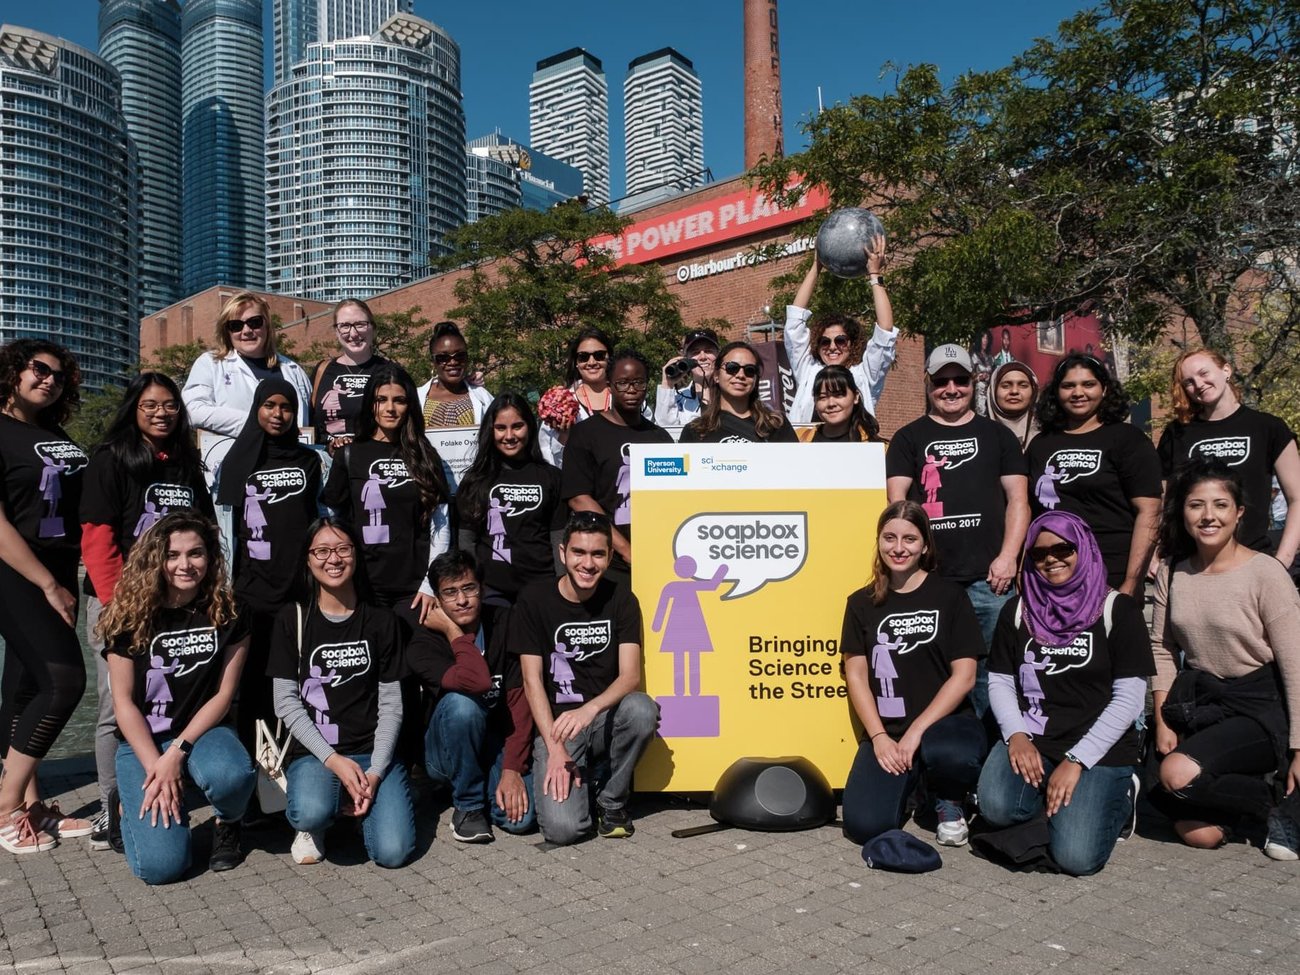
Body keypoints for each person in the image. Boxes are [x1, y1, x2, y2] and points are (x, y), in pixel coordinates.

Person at [81, 372, 215, 852]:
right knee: (115, 704)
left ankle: (174, 777)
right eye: (150, 405)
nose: (162, 413)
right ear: (134, 409)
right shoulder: (112, 458)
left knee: (175, 690)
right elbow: (97, 539)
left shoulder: (185, 463)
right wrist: (120, 606)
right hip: (122, 601)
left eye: (170, 406)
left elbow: (205, 533)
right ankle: (108, 804)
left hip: (178, 600)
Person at [978, 511, 1153, 876]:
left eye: (1063, 548)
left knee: (1076, 858)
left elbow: (1130, 698)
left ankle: (1119, 799)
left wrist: (1076, 761)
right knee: (996, 808)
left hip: (1098, 746)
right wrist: (1016, 735)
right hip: (1036, 738)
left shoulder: (1117, 610)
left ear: (1084, 548)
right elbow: (1000, 680)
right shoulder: (1019, 611)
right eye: (1039, 554)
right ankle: (1062, 803)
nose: (1051, 559)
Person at [1149, 460, 1300, 859]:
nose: (1208, 516)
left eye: (1220, 505)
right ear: (1182, 512)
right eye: (1196, 505)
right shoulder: (1173, 571)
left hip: (1259, 704)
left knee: (1177, 774)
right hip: (1200, 702)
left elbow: (1295, 662)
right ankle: (1245, 805)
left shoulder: (1265, 573)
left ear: (1239, 513)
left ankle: (1278, 804)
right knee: (1200, 834)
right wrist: (1162, 717)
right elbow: (1161, 647)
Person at [97, 512, 254, 883]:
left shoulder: (229, 610)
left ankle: (228, 822)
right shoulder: (128, 615)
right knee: (161, 868)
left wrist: (177, 753)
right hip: (144, 740)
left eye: (196, 554)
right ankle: (124, 806)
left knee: (232, 775)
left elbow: (224, 694)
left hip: (203, 732)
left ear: (211, 557)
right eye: (173, 555)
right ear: (156, 558)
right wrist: (157, 765)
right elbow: (123, 704)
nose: (185, 564)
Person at [886, 344, 1030, 717]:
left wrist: (1009, 557)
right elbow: (897, 506)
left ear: (975, 380)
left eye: (960, 380)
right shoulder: (907, 438)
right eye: (941, 381)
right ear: (928, 384)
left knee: (995, 675)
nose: (951, 388)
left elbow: (1018, 500)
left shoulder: (999, 437)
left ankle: (995, 755)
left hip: (990, 581)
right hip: (932, 578)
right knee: (931, 670)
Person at [839, 502, 986, 848]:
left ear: (925, 545)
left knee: (952, 753)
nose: (899, 548)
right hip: (889, 730)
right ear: (878, 541)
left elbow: (964, 677)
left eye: (910, 539)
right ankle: (915, 783)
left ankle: (949, 798)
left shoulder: (951, 596)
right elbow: (856, 676)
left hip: (943, 726)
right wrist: (878, 737)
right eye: (889, 538)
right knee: (864, 826)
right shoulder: (860, 603)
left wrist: (917, 731)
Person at [269, 518, 414, 867]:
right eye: (321, 550)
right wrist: (334, 761)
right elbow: (285, 702)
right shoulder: (293, 619)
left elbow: (392, 705)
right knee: (310, 812)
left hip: (371, 752)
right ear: (307, 558)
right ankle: (318, 821)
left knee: (393, 854)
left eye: (342, 549)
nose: (333, 559)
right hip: (316, 754)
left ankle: (361, 809)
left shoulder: (381, 621)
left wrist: (376, 772)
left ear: (356, 555)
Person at [511, 510, 658, 844]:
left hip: (603, 718)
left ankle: (612, 800)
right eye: (579, 552)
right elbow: (532, 681)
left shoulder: (621, 598)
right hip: (558, 729)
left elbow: (630, 676)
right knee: (565, 831)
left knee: (641, 710)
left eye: (597, 554)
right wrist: (554, 746)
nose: (587, 563)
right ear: (563, 552)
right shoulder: (534, 600)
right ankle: (588, 779)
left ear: (608, 557)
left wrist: (589, 709)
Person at [0, 340, 91, 853]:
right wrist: (46, 582)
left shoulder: (50, 433)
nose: (49, 380)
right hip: (16, 572)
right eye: (38, 369)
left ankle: (30, 807)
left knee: (24, 687)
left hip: (57, 568)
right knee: (63, 681)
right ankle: (5, 805)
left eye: (58, 375)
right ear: (13, 371)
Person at [215, 379, 322, 774]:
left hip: (299, 593)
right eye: (269, 405)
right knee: (254, 687)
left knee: (300, 683)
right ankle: (258, 774)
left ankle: (299, 765)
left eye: (286, 407)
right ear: (257, 408)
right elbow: (225, 531)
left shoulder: (310, 462)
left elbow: (320, 520)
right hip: (252, 593)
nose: (278, 414)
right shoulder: (239, 461)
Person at [404, 550, 535, 843]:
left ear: (483, 589)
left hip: (494, 743)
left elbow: (519, 703)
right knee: (463, 705)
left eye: (468, 588)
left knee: (520, 820)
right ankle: (468, 806)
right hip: (443, 754)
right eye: (450, 593)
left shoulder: (504, 622)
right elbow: (476, 681)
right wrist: (453, 631)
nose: (461, 600)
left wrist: (512, 769)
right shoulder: (423, 642)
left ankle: (484, 784)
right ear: (436, 599)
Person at [1027, 354, 1161, 594]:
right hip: (1053, 570)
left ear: (1105, 389)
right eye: (1068, 385)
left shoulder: (1128, 439)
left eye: (1088, 384)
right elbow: (1030, 511)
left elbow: (1149, 511)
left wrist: (1132, 581)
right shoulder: (1040, 445)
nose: (1078, 393)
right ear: (1056, 392)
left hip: (1113, 570)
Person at [323, 363, 451, 612]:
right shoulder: (349, 455)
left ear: (410, 405)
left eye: (399, 400)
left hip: (414, 591)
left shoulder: (426, 456)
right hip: (362, 587)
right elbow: (331, 518)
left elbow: (441, 522)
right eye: (381, 399)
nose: (390, 409)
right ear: (370, 403)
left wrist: (428, 584)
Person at [1157, 348, 1300, 567]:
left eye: (1204, 373)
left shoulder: (1269, 428)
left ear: (1226, 370)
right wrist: (1156, 554)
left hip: (1252, 563)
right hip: (1189, 565)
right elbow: (1163, 503)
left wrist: (1282, 562)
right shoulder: (1176, 433)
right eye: (1189, 382)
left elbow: (1297, 498)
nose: (1199, 384)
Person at [560, 350, 673, 586]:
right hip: (607, 560)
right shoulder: (585, 434)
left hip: (655, 555)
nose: (631, 390)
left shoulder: (660, 437)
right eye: (622, 383)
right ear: (610, 385)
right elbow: (579, 499)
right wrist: (625, 549)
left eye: (638, 382)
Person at [456, 393, 564, 605]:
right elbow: (467, 540)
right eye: (500, 428)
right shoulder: (476, 479)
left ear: (530, 427)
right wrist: (475, 584)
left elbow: (558, 537)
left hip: (542, 586)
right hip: (492, 592)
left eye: (517, 426)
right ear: (490, 430)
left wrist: (560, 584)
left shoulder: (551, 477)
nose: (509, 435)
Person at [784, 241, 896, 425]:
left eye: (841, 340)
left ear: (852, 343)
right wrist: (816, 267)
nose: (832, 347)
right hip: (807, 452)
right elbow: (794, 322)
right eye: (825, 342)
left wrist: (875, 275)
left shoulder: (864, 375)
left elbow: (885, 331)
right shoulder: (808, 370)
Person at [181, 292, 312, 439]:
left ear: (267, 325)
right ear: (227, 332)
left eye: (254, 322)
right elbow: (193, 410)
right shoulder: (210, 364)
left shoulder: (293, 370)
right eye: (236, 325)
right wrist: (258, 424)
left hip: (290, 458)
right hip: (233, 458)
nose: (247, 331)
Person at [680, 341, 798, 444]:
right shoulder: (695, 431)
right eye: (732, 368)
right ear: (716, 375)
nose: (741, 375)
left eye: (750, 370)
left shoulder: (776, 425)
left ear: (756, 379)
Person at [311, 298, 389, 452]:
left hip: (371, 460)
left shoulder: (388, 370)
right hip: (328, 466)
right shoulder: (322, 370)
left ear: (372, 328)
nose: (353, 333)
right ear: (336, 331)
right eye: (345, 326)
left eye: (360, 324)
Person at [539, 327, 618, 468]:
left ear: (609, 358)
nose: (592, 362)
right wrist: (564, 436)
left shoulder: (625, 398)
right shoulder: (558, 405)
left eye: (599, 355)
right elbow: (550, 461)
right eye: (583, 357)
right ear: (576, 362)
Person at [416, 321, 493, 429]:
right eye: (443, 358)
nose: (453, 362)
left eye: (459, 356)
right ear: (432, 361)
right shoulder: (415, 398)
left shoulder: (483, 397)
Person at [655, 327, 721, 428]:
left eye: (708, 351)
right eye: (695, 352)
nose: (702, 357)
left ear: (718, 356)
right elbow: (665, 428)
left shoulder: (730, 396)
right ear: (686, 359)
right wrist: (667, 384)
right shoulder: (677, 399)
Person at [796, 366, 883, 443]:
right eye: (823, 397)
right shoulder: (798, 439)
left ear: (856, 397)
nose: (831, 403)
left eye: (838, 395)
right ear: (815, 402)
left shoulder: (877, 449)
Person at [987, 361, 1040, 451]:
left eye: (1023, 385)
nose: (1014, 391)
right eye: (1006, 386)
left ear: (1033, 391)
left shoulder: (1047, 432)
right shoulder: (979, 434)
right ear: (993, 391)